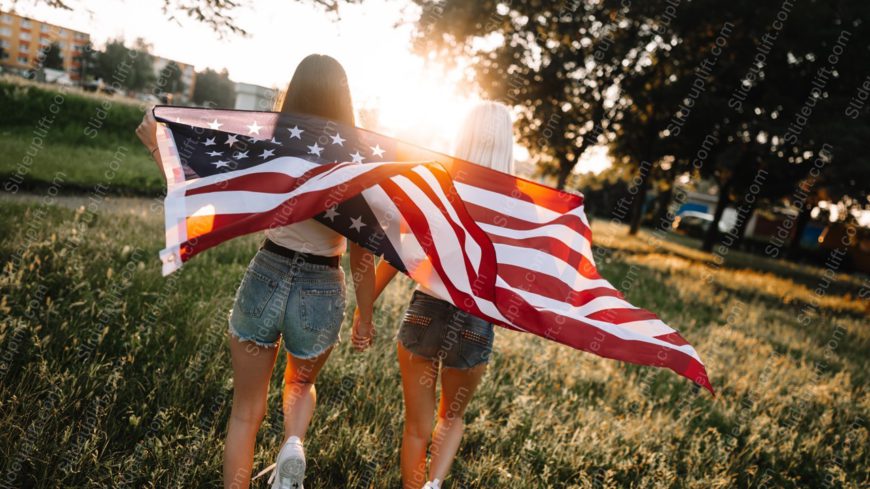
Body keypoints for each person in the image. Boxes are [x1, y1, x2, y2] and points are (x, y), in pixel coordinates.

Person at [136, 54, 377, 489]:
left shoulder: (269, 145)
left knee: (246, 409)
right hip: (323, 285)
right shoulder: (356, 163)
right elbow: (364, 250)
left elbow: (207, 195)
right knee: (300, 387)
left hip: (268, 270)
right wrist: (365, 314)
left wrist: (157, 145)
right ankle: (293, 445)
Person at [354, 101, 515, 489]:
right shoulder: (514, 206)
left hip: (426, 312)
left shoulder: (439, 187)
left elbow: (398, 255)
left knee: (416, 428)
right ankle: (434, 484)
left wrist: (365, 310)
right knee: (452, 418)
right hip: (474, 323)